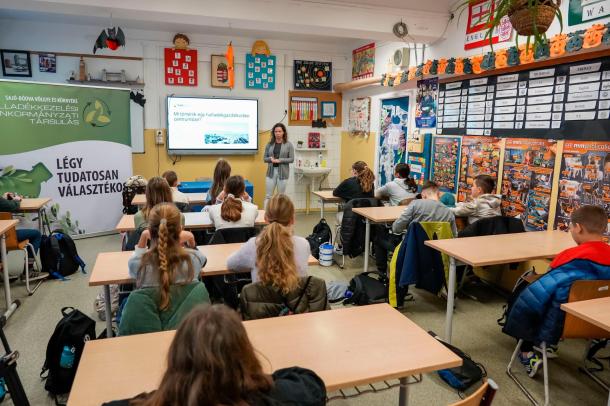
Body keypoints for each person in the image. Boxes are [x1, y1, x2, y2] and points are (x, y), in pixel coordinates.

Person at [103, 304, 326, 406]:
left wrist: (175, 388)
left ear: (176, 357)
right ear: (244, 352)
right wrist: (253, 378)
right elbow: (309, 381)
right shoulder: (288, 396)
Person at [503, 205, 610, 378]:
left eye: (570, 227)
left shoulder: (569, 256)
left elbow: (544, 286)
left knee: (523, 297)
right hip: (597, 323)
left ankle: (527, 353)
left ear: (578, 228)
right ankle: (550, 344)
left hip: (557, 321)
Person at [375, 181, 457, 274]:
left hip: (412, 248)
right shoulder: (449, 212)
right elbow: (454, 236)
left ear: (423, 195)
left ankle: (382, 273)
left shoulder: (415, 204)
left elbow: (397, 228)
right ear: (438, 194)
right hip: (437, 253)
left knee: (378, 239)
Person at [227, 194, 310, 284]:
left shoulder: (254, 244)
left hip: (262, 297)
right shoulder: (304, 244)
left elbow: (231, 264)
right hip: (296, 297)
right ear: (293, 219)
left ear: (265, 218)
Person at [128, 203, 206, 298]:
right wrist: (191, 241)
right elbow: (202, 260)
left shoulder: (138, 264)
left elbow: (135, 263)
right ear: (180, 229)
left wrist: (143, 237)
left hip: (152, 311)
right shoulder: (193, 259)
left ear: (149, 229)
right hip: (187, 312)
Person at [0, 192, 46, 280]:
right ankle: (28, 270)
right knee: (36, 234)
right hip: (4, 237)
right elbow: (12, 206)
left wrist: (4, 199)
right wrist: (17, 200)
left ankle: (1, 270)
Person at [264, 123, 294, 208]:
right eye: (276, 131)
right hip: (271, 172)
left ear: (283, 132)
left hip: (283, 173)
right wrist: (271, 159)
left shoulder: (289, 145)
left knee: (281, 197)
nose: (277, 133)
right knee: (268, 196)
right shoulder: (269, 144)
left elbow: (291, 159)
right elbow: (264, 158)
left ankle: (280, 215)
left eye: (279, 131)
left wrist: (280, 160)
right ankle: (266, 215)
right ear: (273, 133)